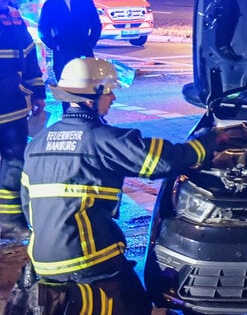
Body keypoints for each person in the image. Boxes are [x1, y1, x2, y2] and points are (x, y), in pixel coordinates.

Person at [20, 57, 216, 315]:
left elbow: (27, 205)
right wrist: (209, 141)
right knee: (135, 302)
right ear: (92, 97)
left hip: (42, 261)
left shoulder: (37, 143)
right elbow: (163, 161)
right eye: (109, 91)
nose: (112, 98)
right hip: (87, 258)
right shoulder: (102, 140)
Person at [0, 0, 46, 242]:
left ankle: (7, 220)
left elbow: (29, 56)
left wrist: (37, 92)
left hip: (13, 107)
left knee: (15, 161)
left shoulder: (14, 19)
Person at [38, 0, 102, 82]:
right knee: (66, 89)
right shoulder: (51, 5)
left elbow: (96, 25)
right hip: (62, 52)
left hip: (83, 50)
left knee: (86, 89)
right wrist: (54, 45)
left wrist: (90, 42)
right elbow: (43, 29)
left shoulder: (85, 1)